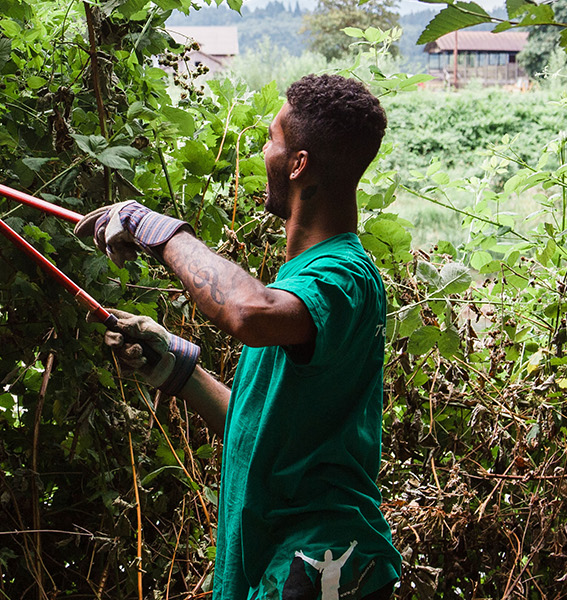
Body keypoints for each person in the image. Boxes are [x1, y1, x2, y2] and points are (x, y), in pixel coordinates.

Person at [74, 74, 398, 600]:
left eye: (272, 140)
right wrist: (175, 368)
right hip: (276, 566)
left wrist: (160, 232)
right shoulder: (303, 281)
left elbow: (247, 313)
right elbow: (263, 429)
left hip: (321, 567)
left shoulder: (342, 277)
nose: (263, 151)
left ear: (299, 164)